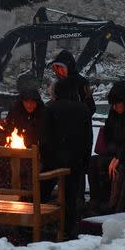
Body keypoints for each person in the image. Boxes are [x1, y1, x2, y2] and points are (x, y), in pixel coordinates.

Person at [40, 75, 93, 239]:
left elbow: (45, 138)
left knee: (43, 192)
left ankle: (39, 224)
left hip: (54, 162)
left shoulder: (50, 109)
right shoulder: (83, 109)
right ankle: (69, 230)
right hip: (75, 161)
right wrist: (84, 162)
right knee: (71, 197)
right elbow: (88, 139)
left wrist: (46, 160)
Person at [87, 81, 125, 212]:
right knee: (94, 161)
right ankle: (95, 199)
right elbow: (109, 135)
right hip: (115, 153)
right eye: (113, 104)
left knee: (117, 168)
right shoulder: (113, 115)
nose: (115, 107)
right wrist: (114, 154)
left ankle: (112, 205)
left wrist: (119, 156)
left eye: (117, 104)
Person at [0, 74, 45, 148]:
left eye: (32, 102)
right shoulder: (15, 112)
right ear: (22, 102)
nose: (29, 105)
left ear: (37, 102)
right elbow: (8, 130)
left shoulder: (43, 113)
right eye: (26, 102)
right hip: (17, 151)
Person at [51, 49, 96, 116]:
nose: (59, 71)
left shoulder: (82, 82)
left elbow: (91, 107)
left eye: (62, 68)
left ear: (69, 67)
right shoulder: (57, 85)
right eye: (57, 68)